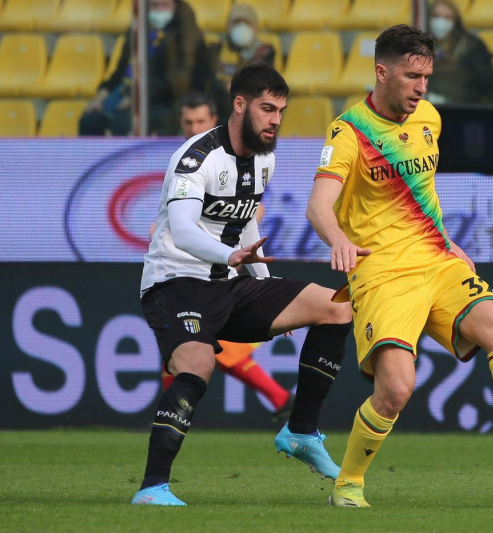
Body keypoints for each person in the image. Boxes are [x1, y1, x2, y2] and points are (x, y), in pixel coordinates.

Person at [306, 24, 493, 509]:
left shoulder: (430, 117)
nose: (421, 88)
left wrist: (449, 244)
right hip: (382, 271)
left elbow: (420, 195)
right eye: (412, 76)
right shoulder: (348, 133)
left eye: (427, 76)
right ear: (381, 71)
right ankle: (348, 482)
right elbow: (318, 207)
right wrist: (339, 239)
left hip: (436, 260)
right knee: (395, 389)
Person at [131, 63, 352, 506]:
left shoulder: (264, 158)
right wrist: (229, 256)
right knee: (197, 365)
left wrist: (264, 283)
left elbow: (245, 220)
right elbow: (183, 228)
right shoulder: (197, 157)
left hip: (229, 285)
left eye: (281, 111)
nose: (275, 120)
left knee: (337, 306)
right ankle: (152, 487)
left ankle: (302, 431)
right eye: (267, 109)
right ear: (239, 104)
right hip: (175, 284)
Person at [158, 90, 290, 421]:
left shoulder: (233, 158)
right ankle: (167, 415)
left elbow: (250, 214)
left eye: (200, 120)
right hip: (182, 272)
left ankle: (280, 398)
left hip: (218, 272)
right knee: (182, 350)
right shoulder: (184, 159)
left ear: (214, 120)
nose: (193, 127)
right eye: (188, 121)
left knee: (202, 350)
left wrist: (220, 236)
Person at [79, 0, 211, 136]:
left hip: (161, 99)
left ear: (175, 7)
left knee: (122, 120)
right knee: (90, 119)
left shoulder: (184, 35)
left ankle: (132, 158)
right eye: (155, 5)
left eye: (164, 5)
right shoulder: (137, 31)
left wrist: (136, 96)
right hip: (125, 92)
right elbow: (120, 71)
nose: (159, 10)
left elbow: (178, 82)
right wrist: (102, 94)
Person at [424, 0, 493, 104]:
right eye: (436, 16)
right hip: (425, 108)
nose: (441, 22)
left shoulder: (472, 46)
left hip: (463, 109)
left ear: (455, 21)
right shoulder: (418, 45)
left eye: (448, 17)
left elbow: (492, 85)